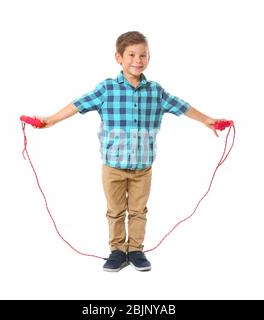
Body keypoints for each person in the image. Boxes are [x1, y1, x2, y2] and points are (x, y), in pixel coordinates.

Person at [34, 31, 223, 272]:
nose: (137, 60)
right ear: (119, 58)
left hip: (143, 167)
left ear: (149, 58)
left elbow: (182, 106)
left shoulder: (156, 91)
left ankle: (135, 250)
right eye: (132, 55)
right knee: (115, 211)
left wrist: (208, 119)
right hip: (112, 166)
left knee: (138, 211)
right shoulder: (107, 89)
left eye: (143, 55)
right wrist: (51, 119)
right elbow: (78, 104)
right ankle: (116, 251)